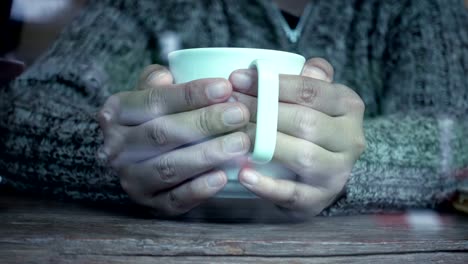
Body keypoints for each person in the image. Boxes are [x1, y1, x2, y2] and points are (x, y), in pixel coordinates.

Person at [0, 0, 467, 219]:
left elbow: (456, 138)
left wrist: (351, 163)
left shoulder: (418, 7)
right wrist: (112, 149)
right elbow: (16, 116)